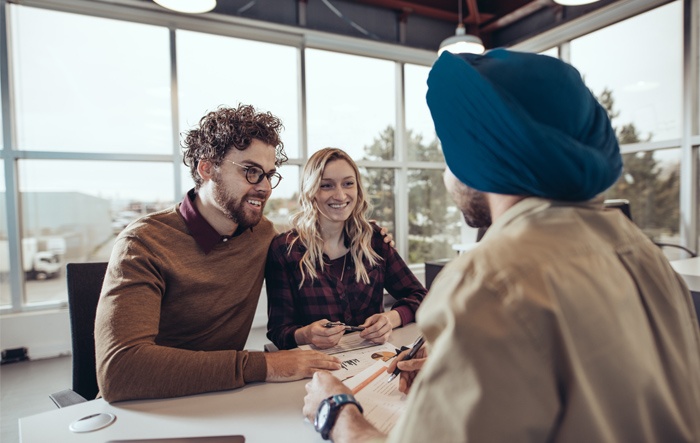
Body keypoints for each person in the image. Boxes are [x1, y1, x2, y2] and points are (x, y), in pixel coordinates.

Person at [302, 49, 700, 442]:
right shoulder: (648, 257)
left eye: (449, 152)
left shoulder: (490, 282)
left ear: (479, 155)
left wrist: (335, 410)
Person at [94, 104, 342, 403]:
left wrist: (371, 237)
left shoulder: (262, 235)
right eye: (251, 172)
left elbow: (316, 248)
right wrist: (264, 365)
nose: (264, 188)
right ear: (207, 168)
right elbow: (121, 372)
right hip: (146, 405)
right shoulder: (143, 243)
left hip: (222, 397)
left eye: (269, 175)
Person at [265, 148, 426, 350]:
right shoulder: (285, 250)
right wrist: (306, 334)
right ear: (311, 191)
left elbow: (421, 296)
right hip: (317, 368)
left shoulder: (374, 239)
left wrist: (391, 319)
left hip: (373, 360)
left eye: (348, 183)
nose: (340, 195)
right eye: (327, 185)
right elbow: (278, 331)